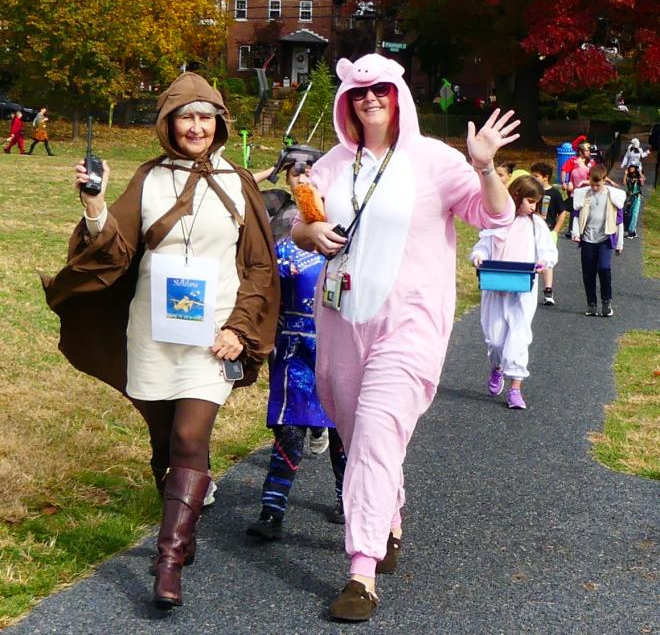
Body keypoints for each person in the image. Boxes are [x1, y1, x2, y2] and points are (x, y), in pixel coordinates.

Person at [292, 54, 519, 622]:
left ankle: (360, 572)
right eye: (360, 94)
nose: (370, 101)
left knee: (374, 430)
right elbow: (302, 223)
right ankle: (387, 515)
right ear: (347, 102)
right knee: (354, 429)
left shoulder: (436, 161)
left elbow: (495, 218)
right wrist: (310, 229)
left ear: (398, 96)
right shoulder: (332, 164)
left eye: (381, 92)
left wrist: (486, 167)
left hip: (410, 324)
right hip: (342, 320)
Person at [42, 73, 279, 611]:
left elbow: (260, 266)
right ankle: (185, 528)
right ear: (168, 123)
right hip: (152, 329)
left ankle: (167, 560)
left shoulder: (238, 181)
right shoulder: (149, 179)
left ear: (218, 122)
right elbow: (113, 249)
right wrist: (95, 204)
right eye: (185, 116)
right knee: (162, 440)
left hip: (212, 334)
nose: (196, 127)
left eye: (205, 116)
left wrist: (239, 328)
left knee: (191, 439)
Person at [247, 149, 347, 541]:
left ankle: (348, 499)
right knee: (288, 432)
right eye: (293, 172)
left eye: (309, 171)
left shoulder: (342, 223)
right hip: (291, 349)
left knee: (342, 433)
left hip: (337, 345)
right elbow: (239, 195)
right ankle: (272, 510)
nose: (301, 178)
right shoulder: (278, 225)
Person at [470, 175, 558, 410]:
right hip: (496, 287)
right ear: (516, 196)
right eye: (530, 201)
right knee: (496, 339)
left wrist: (543, 261)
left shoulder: (535, 224)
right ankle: (497, 367)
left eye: (536, 202)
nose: (533, 207)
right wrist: (478, 257)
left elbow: (548, 250)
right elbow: (483, 245)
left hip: (522, 288)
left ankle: (516, 389)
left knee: (519, 336)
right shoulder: (498, 221)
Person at [571, 164, 625, 317]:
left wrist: (619, 243)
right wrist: (576, 233)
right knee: (588, 272)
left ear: (604, 180)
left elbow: (619, 222)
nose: (594, 188)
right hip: (588, 238)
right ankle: (591, 303)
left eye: (598, 185)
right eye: (592, 184)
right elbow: (576, 215)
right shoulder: (584, 195)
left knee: (604, 268)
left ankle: (606, 301)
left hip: (605, 239)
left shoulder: (612, 197)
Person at [529, 162, 566, 305]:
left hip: (549, 229)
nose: (533, 178)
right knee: (532, 257)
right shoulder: (532, 191)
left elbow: (562, 212)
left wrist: (556, 230)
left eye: (536, 176)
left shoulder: (554, 194)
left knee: (547, 259)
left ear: (545, 177)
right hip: (532, 229)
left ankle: (548, 290)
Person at [623, 165, 643, 239]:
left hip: (637, 196)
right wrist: (625, 174)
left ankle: (631, 232)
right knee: (628, 213)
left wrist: (640, 174)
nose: (631, 169)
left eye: (633, 168)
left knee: (634, 213)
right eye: (630, 168)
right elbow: (624, 183)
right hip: (629, 197)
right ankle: (631, 230)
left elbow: (642, 183)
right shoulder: (627, 176)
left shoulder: (638, 176)